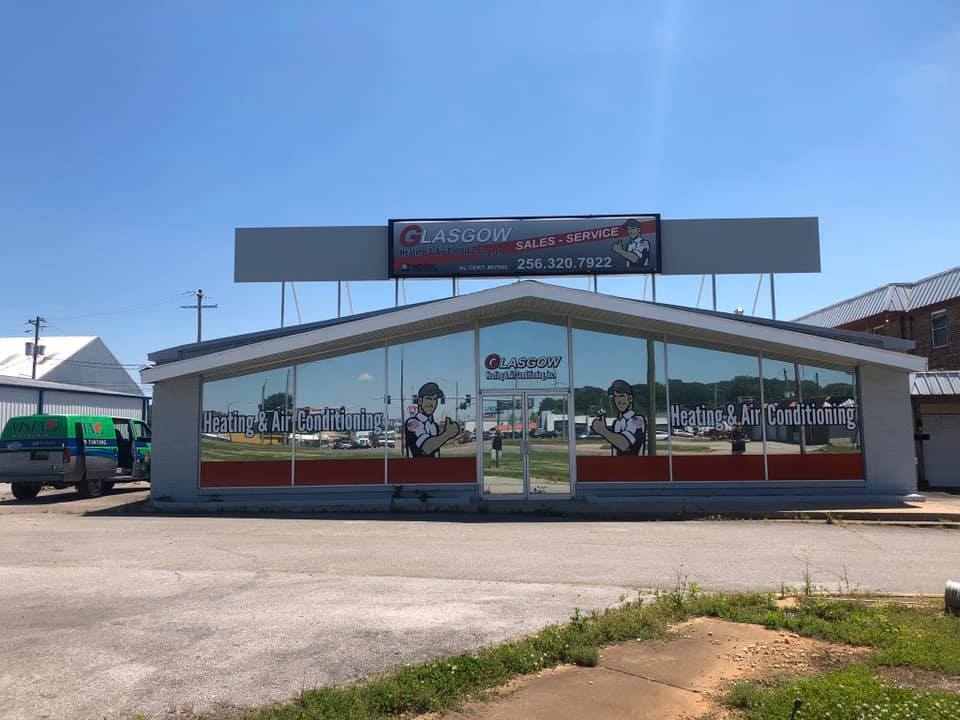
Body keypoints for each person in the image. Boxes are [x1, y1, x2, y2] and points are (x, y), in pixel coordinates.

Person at [590, 379, 646, 455]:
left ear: (630, 398)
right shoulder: (617, 422)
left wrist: (603, 431)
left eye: (622, 396)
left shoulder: (638, 420)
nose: (619, 401)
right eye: (616, 396)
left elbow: (624, 444)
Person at [404, 382, 460, 458]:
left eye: (435, 399)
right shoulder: (412, 422)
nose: (432, 403)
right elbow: (426, 447)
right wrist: (447, 434)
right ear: (420, 401)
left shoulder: (434, 425)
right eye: (428, 398)